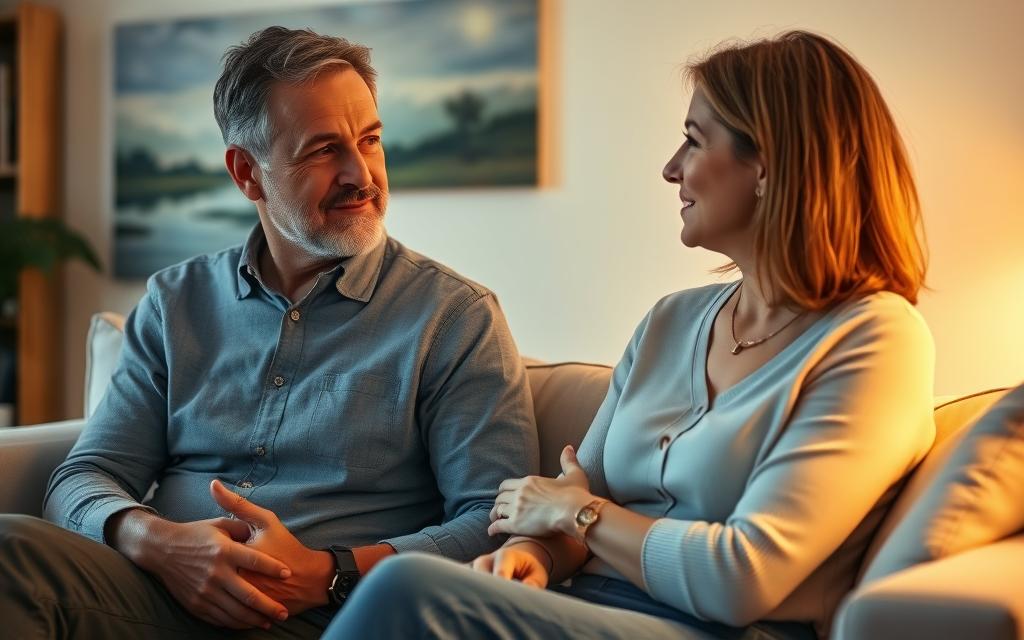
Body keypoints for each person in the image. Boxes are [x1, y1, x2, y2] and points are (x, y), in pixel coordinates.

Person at [321, 30, 935, 640]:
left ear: (769, 165)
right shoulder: (671, 321)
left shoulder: (875, 340)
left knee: (406, 586)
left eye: (694, 141)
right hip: (583, 609)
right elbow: (565, 513)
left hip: (719, 630)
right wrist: (531, 557)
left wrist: (576, 512)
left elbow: (742, 577)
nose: (671, 168)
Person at [0, 26, 537, 639]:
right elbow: (84, 475)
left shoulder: (455, 316)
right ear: (247, 173)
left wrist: (330, 573)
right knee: (10, 548)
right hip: (156, 595)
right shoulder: (176, 301)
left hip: (334, 616)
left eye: (371, 141)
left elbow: (497, 521)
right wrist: (160, 544)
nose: (360, 174)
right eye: (321, 150)